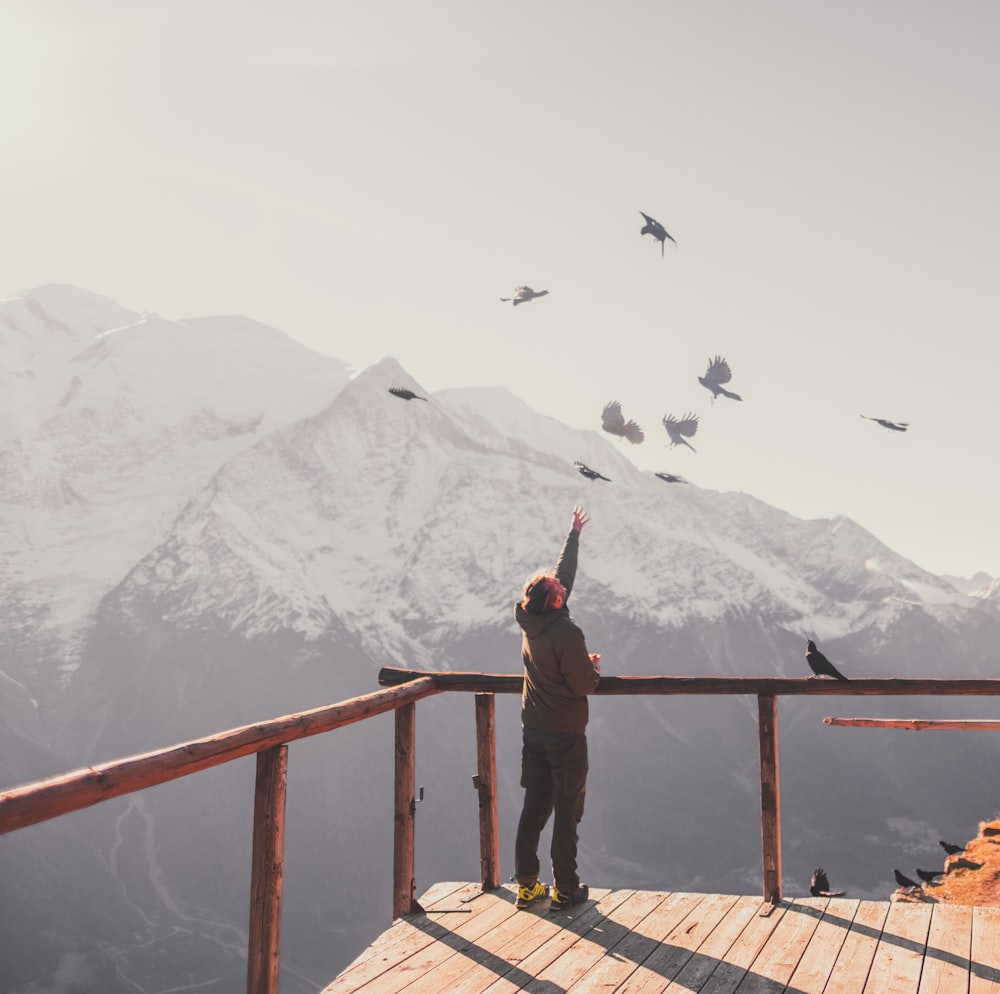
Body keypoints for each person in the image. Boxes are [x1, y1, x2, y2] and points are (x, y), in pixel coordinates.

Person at [514, 506, 601, 911]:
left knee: (534, 806)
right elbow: (583, 683)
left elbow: (560, 575)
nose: (565, 590)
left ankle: (527, 885)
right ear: (553, 603)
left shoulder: (533, 619)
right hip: (566, 736)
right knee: (567, 811)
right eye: (560, 592)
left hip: (535, 730)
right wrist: (593, 669)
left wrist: (574, 533)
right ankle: (566, 888)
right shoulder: (566, 633)